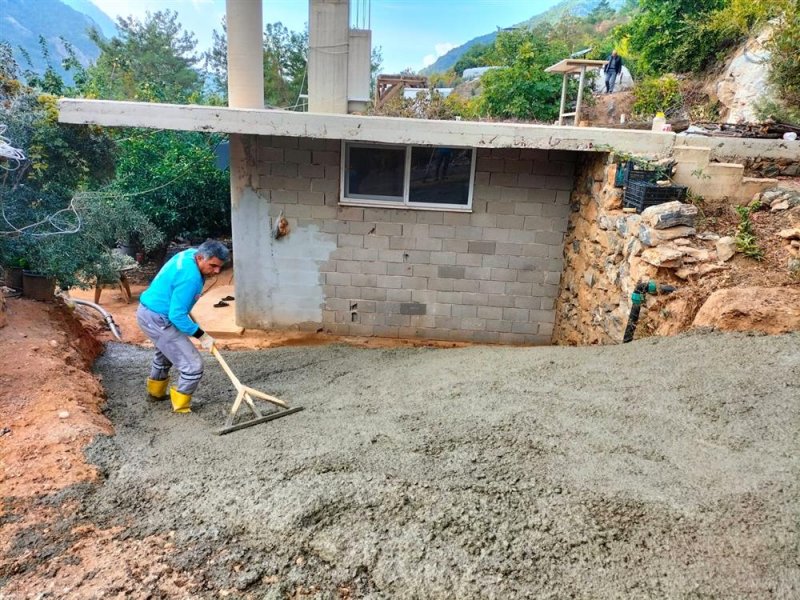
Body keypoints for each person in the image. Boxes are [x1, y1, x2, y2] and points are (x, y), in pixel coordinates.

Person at [136, 239, 229, 413]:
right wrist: (202, 335)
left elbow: (177, 306)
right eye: (213, 265)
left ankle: (155, 394)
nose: (216, 271)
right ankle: (180, 408)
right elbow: (177, 315)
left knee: (166, 353)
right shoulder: (190, 278)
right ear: (201, 257)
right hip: (158, 319)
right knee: (193, 366)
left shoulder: (188, 254)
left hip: (149, 312)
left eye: (219, 267)